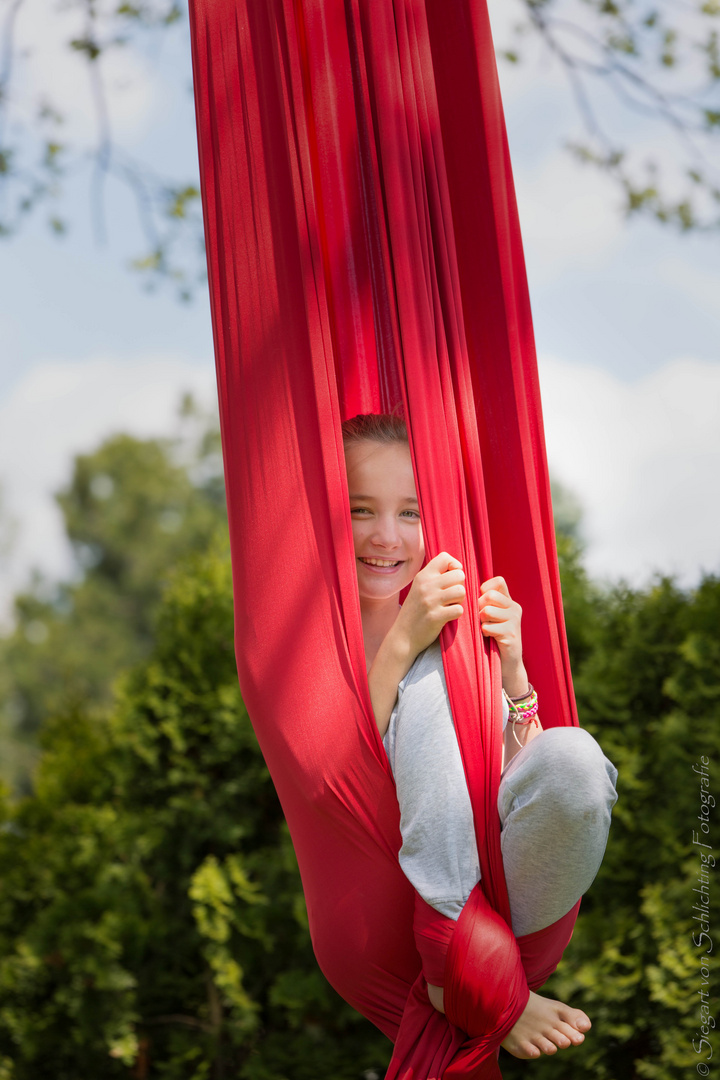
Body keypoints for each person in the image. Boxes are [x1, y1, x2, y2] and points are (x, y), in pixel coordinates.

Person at [342, 412, 618, 1062]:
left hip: (515, 894)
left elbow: (517, 776)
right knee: (431, 670)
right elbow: (333, 770)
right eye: (361, 510)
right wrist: (405, 639)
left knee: (576, 759)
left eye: (410, 513)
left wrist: (514, 671)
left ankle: (481, 975)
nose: (386, 536)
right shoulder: (318, 635)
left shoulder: (452, 614)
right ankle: (466, 973)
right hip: (402, 908)